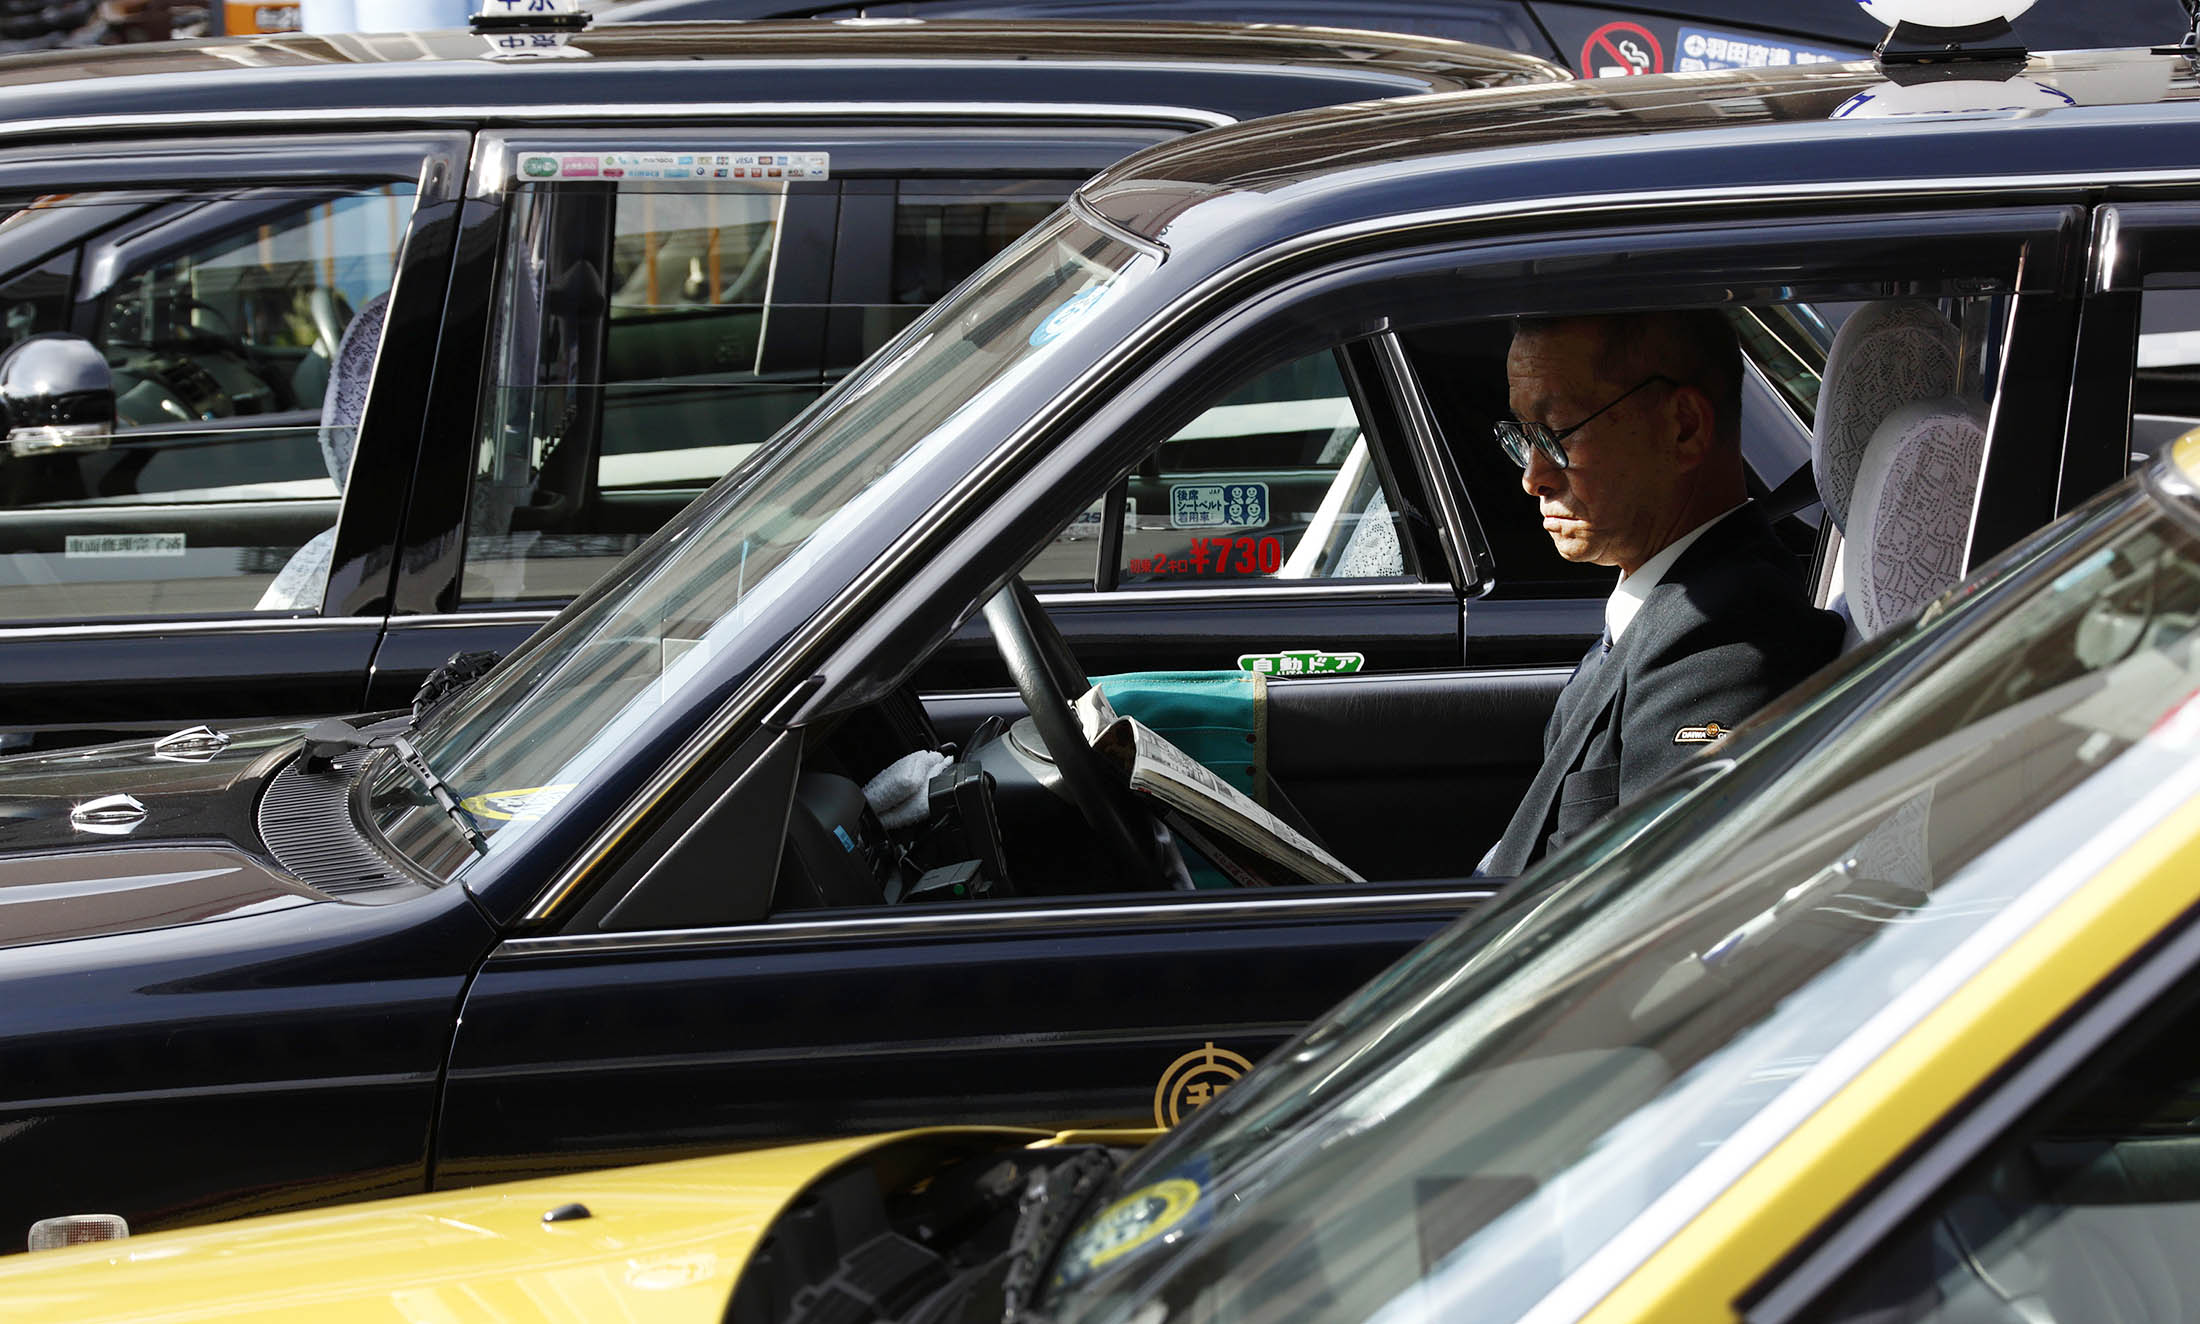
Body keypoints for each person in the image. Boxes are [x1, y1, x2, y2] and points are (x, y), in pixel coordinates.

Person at [1479, 310, 1844, 876]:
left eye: (1557, 434)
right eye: (1524, 436)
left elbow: (1644, 921)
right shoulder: (1671, 604)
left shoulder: (1726, 645)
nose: (1534, 476)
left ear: (1684, 428)